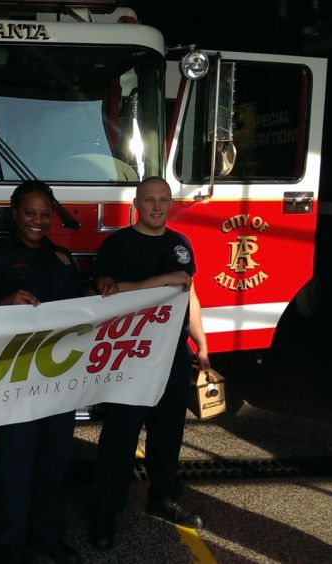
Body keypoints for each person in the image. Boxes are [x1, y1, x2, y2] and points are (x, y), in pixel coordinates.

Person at [88, 176, 210, 550]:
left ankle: (162, 496)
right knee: (120, 436)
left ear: (171, 204)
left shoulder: (180, 244)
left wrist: (201, 344)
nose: (157, 206)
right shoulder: (116, 245)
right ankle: (105, 512)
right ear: (136, 205)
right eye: (149, 200)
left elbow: (189, 295)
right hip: (130, 355)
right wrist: (166, 280)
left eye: (163, 199)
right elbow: (107, 294)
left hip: (172, 354)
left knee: (168, 432)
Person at [0, 181, 82, 564]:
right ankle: (10, 545)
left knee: (54, 462)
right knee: (15, 464)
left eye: (45, 214)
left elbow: (85, 308)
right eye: (30, 213)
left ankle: (48, 537)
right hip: (14, 380)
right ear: (15, 213)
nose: (38, 221)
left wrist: (104, 287)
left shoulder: (62, 259)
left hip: (58, 380)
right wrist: (4, 302)